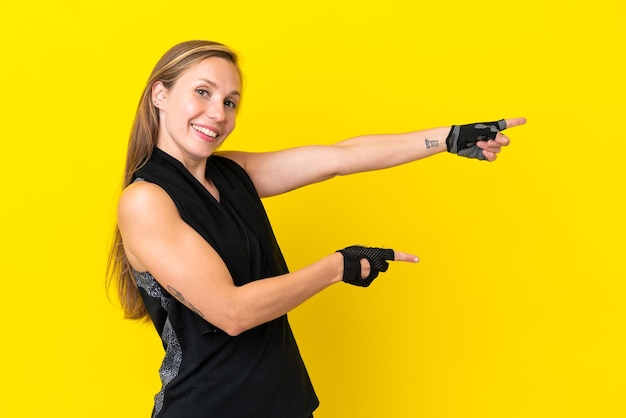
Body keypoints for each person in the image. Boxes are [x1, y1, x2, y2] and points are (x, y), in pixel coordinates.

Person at [107, 40, 526, 418]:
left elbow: (342, 157)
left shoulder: (232, 174)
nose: (218, 113)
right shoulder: (146, 200)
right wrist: (336, 267)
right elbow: (231, 312)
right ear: (160, 94)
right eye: (203, 92)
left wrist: (448, 138)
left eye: (231, 102)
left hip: (284, 404)